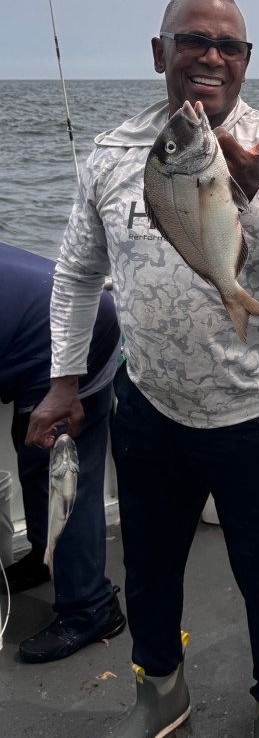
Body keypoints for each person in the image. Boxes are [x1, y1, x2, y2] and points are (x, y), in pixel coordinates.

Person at [26, 0, 259, 738]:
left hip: (255, 413)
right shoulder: (111, 154)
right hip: (150, 408)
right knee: (150, 569)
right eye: (193, 40)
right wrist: (65, 381)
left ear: (246, 61)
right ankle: (159, 692)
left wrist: (256, 195)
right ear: (159, 52)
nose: (211, 56)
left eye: (229, 46)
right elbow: (76, 274)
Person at [0, 241, 124, 662]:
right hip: (39, 335)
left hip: (79, 339)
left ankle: (91, 608)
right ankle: (43, 554)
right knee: (33, 455)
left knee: (66, 479)